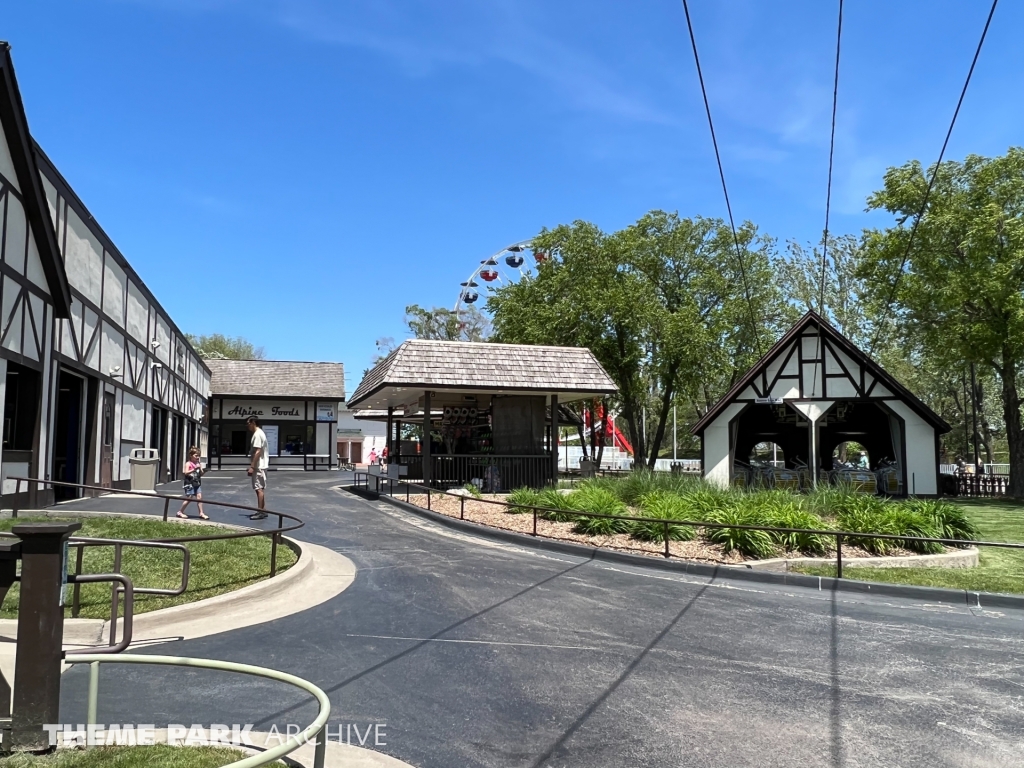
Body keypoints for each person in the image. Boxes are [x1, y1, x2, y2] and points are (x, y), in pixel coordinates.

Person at [177, 446, 209, 520]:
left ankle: (201, 513)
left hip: (197, 483)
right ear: (191, 456)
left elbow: (200, 474)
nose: (197, 457)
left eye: (199, 456)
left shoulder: (198, 463)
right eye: (196, 456)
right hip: (189, 483)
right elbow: (186, 472)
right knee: (190, 498)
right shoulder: (188, 464)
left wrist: (202, 471)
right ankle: (180, 512)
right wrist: (194, 469)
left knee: (199, 497)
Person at [247, 415, 269, 519]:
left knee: (258, 488)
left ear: (253, 423)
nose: (248, 426)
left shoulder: (257, 434)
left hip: (259, 466)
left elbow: (258, 451)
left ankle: (260, 512)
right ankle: (263, 510)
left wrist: (252, 466)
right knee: (259, 488)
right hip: (260, 465)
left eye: (248, 423)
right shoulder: (260, 433)